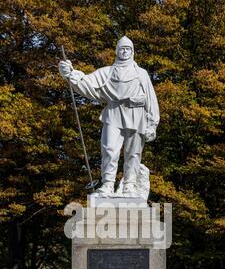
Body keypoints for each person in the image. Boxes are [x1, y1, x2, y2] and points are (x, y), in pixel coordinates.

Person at [59, 36, 160, 195]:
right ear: (117, 51)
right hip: (113, 113)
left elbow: (151, 99)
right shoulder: (107, 72)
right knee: (109, 149)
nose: (125, 51)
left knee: (133, 153)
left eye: (128, 48)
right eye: (122, 48)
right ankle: (107, 184)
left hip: (137, 114)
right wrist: (70, 74)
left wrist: (153, 123)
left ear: (132, 51)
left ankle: (130, 185)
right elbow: (86, 82)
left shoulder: (141, 73)